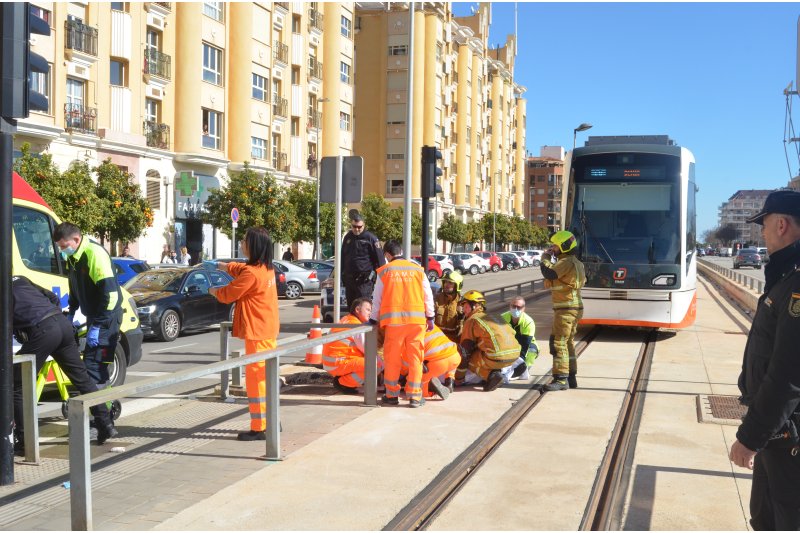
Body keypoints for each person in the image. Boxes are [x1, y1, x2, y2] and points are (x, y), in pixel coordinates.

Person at [728, 190, 800, 530]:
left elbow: (788, 374)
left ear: (782, 225)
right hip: (777, 432)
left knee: (785, 520)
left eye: (766, 225)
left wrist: (750, 436)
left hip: (788, 435)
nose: (762, 233)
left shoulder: (796, 282)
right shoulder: (785, 276)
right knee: (765, 517)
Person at [11, 275, 117, 454]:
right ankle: (105, 424)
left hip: (43, 331)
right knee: (82, 378)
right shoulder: (20, 279)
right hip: (62, 324)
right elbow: (53, 297)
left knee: (17, 383)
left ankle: (24, 441)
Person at [207, 227, 279, 441]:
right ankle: (272, 420)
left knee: (257, 382)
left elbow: (228, 294)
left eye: (244, 240)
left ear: (253, 245)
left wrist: (211, 290)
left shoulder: (252, 273)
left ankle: (260, 427)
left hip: (256, 333)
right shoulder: (266, 268)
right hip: (266, 330)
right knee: (266, 378)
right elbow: (242, 269)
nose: (241, 243)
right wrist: (223, 265)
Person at [54, 222, 123, 388]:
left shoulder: (94, 254)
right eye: (59, 247)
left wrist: (98, 325)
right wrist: (71, 312)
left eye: (64, 246)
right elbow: (75, 287)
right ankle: (103, 405)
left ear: (76, 239)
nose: (62, 251)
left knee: (94, 364)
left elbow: (111, 295)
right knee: (96, 364)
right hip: (96, 316)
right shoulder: (73, 257)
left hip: (107, 318)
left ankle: (98, 410)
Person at [370, 240, 435, 408]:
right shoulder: (418, 270)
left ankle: (391, 394)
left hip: (394, 323)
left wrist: (373, 318)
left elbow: (377, 298)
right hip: (416, 323)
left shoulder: (384, 271)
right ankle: (414, 396)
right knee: (415, 358)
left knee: (392, 358)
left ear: (387, 255)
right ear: (401, 251)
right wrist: (430, 316)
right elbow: (428, 295)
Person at [540, 230, 586, 391]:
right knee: (568, 343)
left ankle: (561, 379)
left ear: (564, 247)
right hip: (573, 307)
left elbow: (549, 273)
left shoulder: (566, 262)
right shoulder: (576, 262)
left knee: (558, 342)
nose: (552, 248)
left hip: (566, 308)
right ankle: (571, 377)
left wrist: (544, 258)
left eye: (555, 245)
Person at [455, 290, 519, 391]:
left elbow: (465, 352)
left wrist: (458, 378)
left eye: (466, 306)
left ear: (475, 306)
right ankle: (495, 369)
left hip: (497, 358)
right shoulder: (495, 315)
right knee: (485, 348)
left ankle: (491, 375)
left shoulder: (472, 320)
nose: (463, 310)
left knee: (470, 357)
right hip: (514, 355)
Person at [323, 297, 383, 394]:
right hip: (338, 363)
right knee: (376, 364)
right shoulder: (356, 326)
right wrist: (384, 366)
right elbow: (368, 349)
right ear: (357, 310)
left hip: (334, 363)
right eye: (368, 310)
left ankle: (344, 379)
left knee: (370, 361)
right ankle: (344, 383)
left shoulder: (346, 319)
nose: (370, 313)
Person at [341, 212, 385, 306]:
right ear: (351, 225)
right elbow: (343, 258)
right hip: (350, 280)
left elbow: (380, 261)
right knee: (351, 307)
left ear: (364, 225)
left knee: (362, 307)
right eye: (354, 226)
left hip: (364, 281)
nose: (356, 229)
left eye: (359, 227)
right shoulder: (347, 237)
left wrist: (379, 280)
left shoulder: (371, 238)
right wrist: (342, 276)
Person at [500, 296, 541, 382]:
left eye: (518, 307)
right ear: (510, 306)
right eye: (513, 306)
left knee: (531, 351)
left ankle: (525, 369)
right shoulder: (502, 318)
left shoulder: (528, 322)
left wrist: (519, 364)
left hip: (525, 345)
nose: (515, 309)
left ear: (523, 309)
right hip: (509, 344)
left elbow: (525, 345)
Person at [420, 324, 460, 399]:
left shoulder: (410, 330)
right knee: (449, 359)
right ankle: (450, 381)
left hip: (439, 363)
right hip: (455, 356)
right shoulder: (431, 324)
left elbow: (408, 359)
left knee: (414, 386)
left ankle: (430, 388)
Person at [434, 270, 464, 344]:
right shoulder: (436, 299)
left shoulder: (462, 302)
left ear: (457, 285)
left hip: (453, 342)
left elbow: (464, 328)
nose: (446, 285)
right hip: (437, 340)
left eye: (450, 283)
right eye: (445, 282)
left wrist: (461, 317)